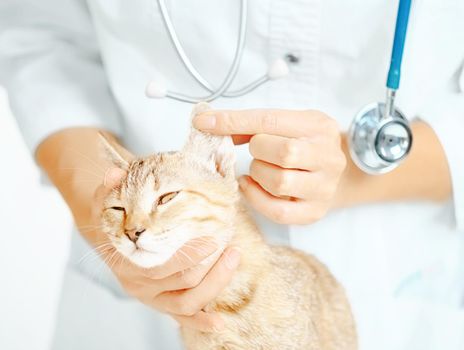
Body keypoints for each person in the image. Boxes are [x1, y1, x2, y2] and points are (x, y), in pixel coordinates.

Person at [1, 1, 464, 349]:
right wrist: (98, 206)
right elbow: (41, 43)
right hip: (137, 314)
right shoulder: (133, 222)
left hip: (400, 273)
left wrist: (359, 169)